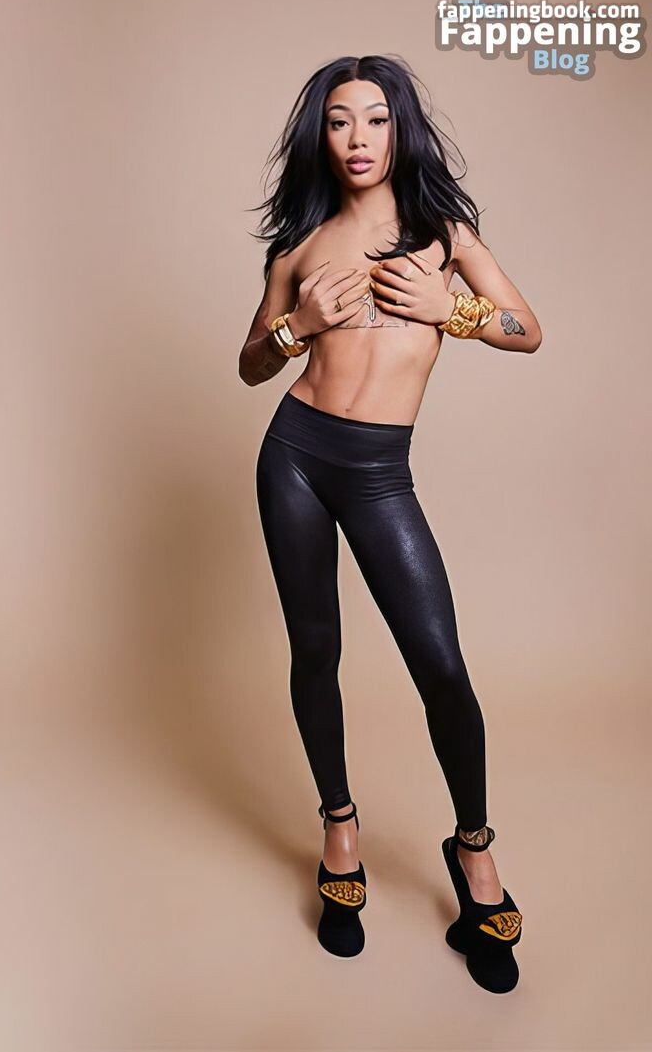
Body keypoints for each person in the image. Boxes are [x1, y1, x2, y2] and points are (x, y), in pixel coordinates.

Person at [238, 54, 540, 993]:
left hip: (379, 474)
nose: (358, 137)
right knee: (315, 650)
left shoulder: (445, 236)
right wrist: (297, 326)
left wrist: (455, 309)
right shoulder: (299, 246)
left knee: (441, 666)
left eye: (375, 118)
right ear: (321, 136)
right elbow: (251, 364)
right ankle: (340, 829)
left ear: (400, 128)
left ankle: (474, 849)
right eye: (340, 120)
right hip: (294, 456)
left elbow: (528, 329)